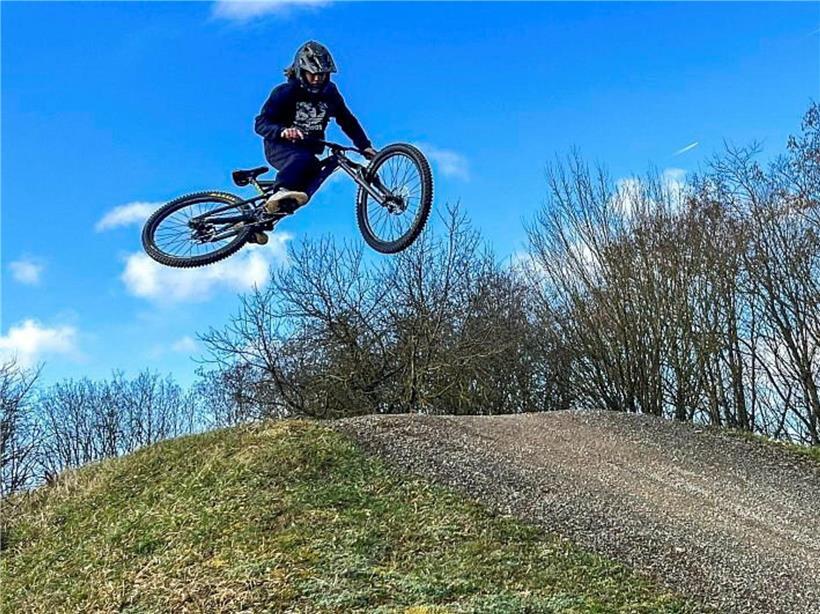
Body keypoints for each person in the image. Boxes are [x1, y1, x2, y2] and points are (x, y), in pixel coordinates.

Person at [254, 41, 377, 228]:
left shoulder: (330, 94)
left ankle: (258, 222)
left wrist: (364, 146)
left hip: (307, 150)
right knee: (302, 160)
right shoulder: (285, 92)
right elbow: (261, 123)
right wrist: (283, 131)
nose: (317, 79)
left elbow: (347, 120)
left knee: (308, 180)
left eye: (322, 74)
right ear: (301, 71)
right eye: (313, 74)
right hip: (279, 146)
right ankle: (280, 190)